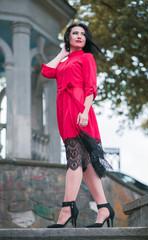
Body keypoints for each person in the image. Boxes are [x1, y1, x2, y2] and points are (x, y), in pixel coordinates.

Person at [41, 22, 115, 228]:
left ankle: (67, 208)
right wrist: (61, 53)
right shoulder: (64, 60)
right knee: (86, 164)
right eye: (75, 33)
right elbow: (47, 72)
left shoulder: (87, 57)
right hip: (64, 112)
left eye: (83, 34)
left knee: (74, 159)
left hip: (79, 110)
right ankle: (104, 208)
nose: (80, 36)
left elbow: (91, 87)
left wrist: (84, 111)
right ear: (68, 38)